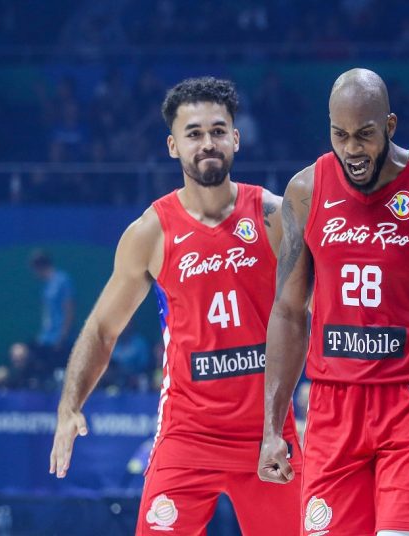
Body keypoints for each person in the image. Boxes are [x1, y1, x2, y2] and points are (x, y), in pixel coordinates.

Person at [258, 68, 409, 536]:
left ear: (390, 126)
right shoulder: (305, 191)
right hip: (333, 405)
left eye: (365, 135)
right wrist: (274, 427)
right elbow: (289, 312)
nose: (352, 149)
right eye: (340, 135)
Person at [49, 77, 302, 535]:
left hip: (269, 433)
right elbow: (103, 329)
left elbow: (318, 310)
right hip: (188, 436)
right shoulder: (150, 232)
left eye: (218, 130)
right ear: (172, 146)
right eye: (194, 133)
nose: (208, 142)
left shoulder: (274, 217)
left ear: (236, 139)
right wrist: (70, 406)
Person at [29, 249, 76, 373]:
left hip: (60, 338)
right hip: (47, 337)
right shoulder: (45, 286)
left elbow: (69, 309)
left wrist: (63, 336)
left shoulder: (62, 280)